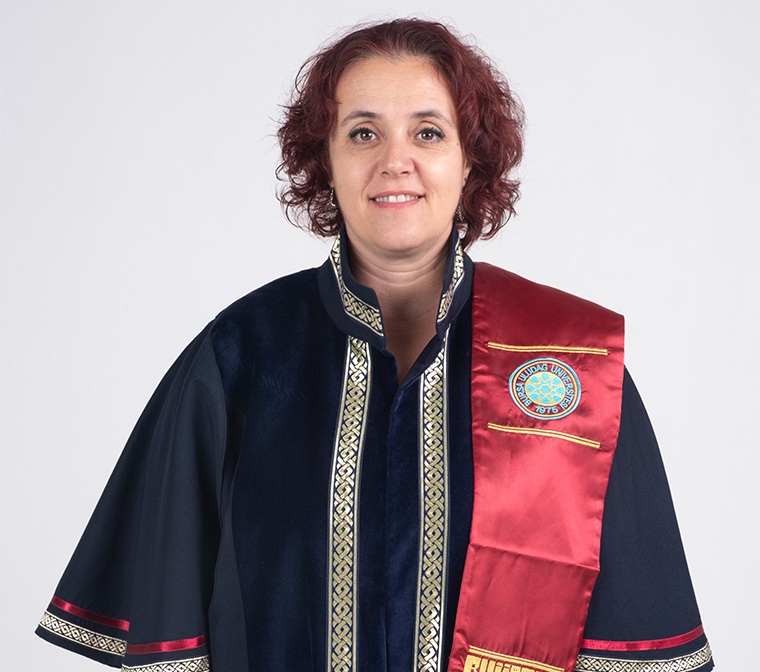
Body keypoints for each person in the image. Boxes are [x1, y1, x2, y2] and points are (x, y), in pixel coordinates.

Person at [36, 18, 713, 672]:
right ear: (325, 160)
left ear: (469, 160)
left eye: (428, 132)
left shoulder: (572, 366)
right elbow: (168, 631)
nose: (395, 161)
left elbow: (631, 645)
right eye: (363, 133)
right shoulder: (238, 357)